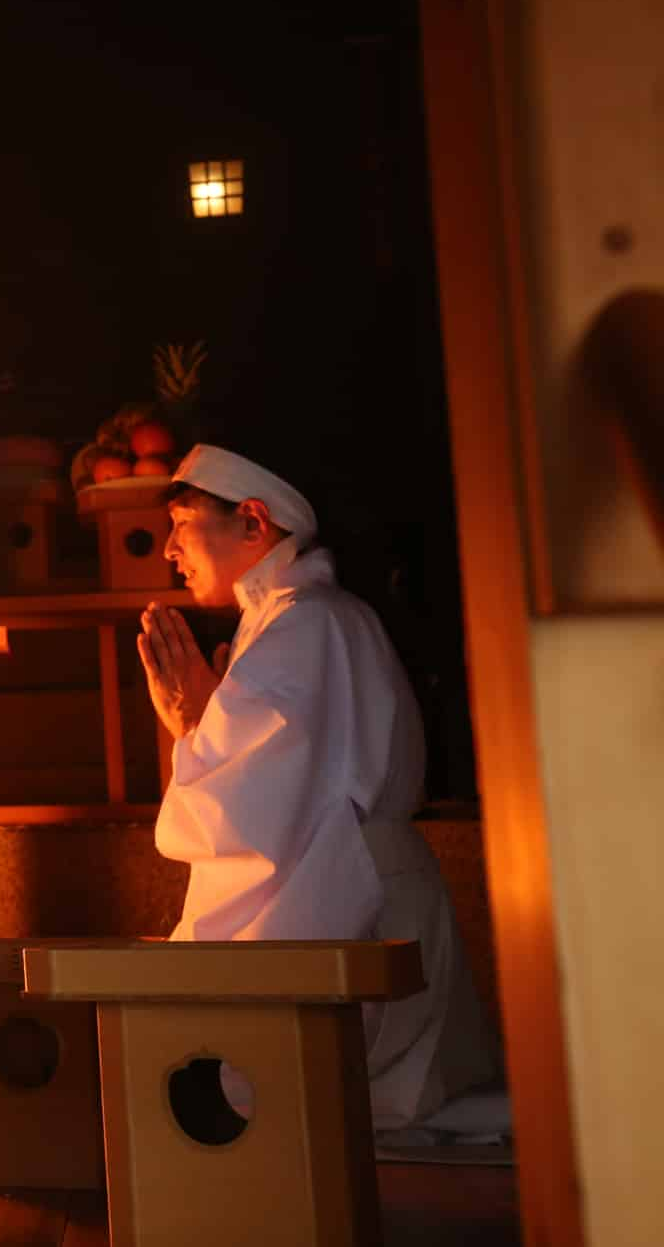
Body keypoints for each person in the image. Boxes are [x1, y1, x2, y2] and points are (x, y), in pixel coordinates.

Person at [136, 443, 505, 1135]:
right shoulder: (295, 618)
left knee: (284, 1124)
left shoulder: (305, 623)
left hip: (356, 906)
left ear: (252, 521)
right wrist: (202, 726)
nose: (168, 548)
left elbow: (247, 820)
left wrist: (191, 724)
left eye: (183, 522)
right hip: (368, 895)